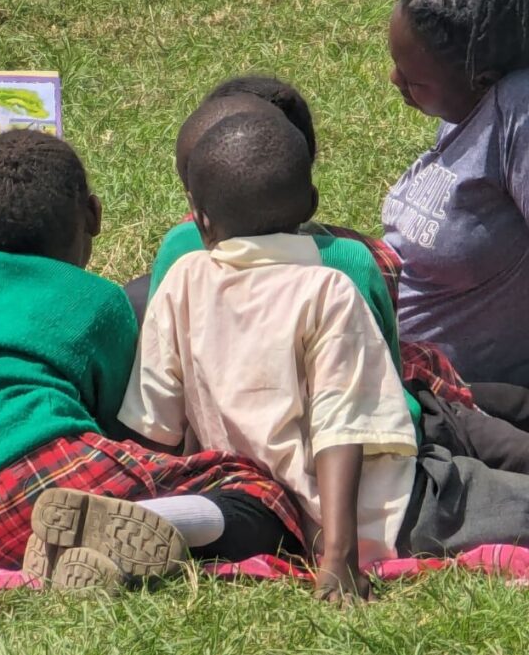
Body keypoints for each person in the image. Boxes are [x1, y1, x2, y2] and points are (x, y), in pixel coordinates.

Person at [120, 112, 529, 601]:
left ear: (198, 215)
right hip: (394, 514)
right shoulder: (327, 289)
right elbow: (343, 425)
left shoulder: (183, 280)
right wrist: (340, 558)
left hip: (272, 516)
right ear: (312, 203)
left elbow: (154, 425)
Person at [0, 129, 303, 590]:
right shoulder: (102, 303)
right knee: (258, 492)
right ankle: (148, 519)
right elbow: (135, 428)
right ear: (95, 215)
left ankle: (76, 548)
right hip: (48, 472)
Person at [146, 77, 529, 475]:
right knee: (487, 421)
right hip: (391, 441)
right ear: (305, 190)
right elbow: (389, 378)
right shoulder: (354, 259)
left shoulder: (179, 254)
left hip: (231, 449)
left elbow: (164, 383)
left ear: (196, 202)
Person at [383, 0, 529, 397]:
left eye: (414, 80)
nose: (395, 82)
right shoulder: (464, 109)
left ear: (481, 79)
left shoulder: (516, 113)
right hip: (392, 359)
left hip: (453, 398)